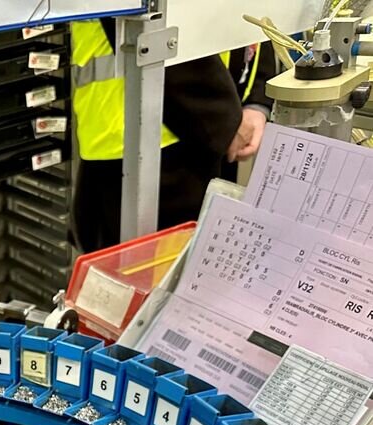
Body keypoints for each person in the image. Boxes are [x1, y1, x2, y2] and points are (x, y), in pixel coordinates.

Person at [71, 19, 277, 253]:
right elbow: (159, 23)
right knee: (146, 280)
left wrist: (257, 100)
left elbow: (255, 11)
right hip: (140, 144)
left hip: (206, 131)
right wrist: (225, 120)